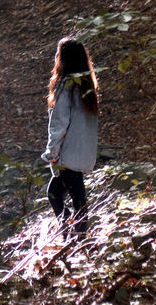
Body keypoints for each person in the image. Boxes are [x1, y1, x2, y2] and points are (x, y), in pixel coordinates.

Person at [41, 36, 99, 237]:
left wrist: (52, 153)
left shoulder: (67, 87)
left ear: (64, 59)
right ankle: (74, 233)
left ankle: (74, 235)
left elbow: (58, 124)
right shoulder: (86, 88)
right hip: (82, 152)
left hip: (68, 153)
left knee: (57, 194)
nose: (55, 57)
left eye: (58, 54)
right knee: (74, 194)